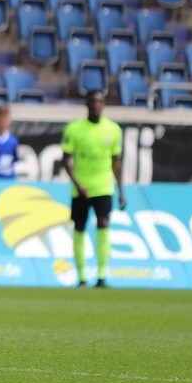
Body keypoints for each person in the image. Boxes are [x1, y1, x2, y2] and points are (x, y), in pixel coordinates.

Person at [60, 90, 125, 288]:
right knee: (79, 227)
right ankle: (81, 277)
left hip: (104, 187)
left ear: (104, 104)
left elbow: (116, 162)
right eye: (93, 101)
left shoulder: (113, 130)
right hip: (81, 188)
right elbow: (65, 160)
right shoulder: (74, 129)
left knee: (103, 224)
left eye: (100, 101)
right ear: (87, 104)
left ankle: (102, 276)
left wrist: (121, 190)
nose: (96, 104)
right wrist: (77, 183)